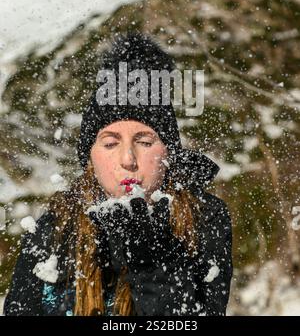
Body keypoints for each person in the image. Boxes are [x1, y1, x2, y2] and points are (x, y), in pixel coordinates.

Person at [4, 31, 233, 316]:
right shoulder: (56, 225)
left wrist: (151, 263)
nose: (128, 159)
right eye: (111, 143)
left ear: (168, 154)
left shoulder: (203, 218)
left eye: (145, 142)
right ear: (90, 158)